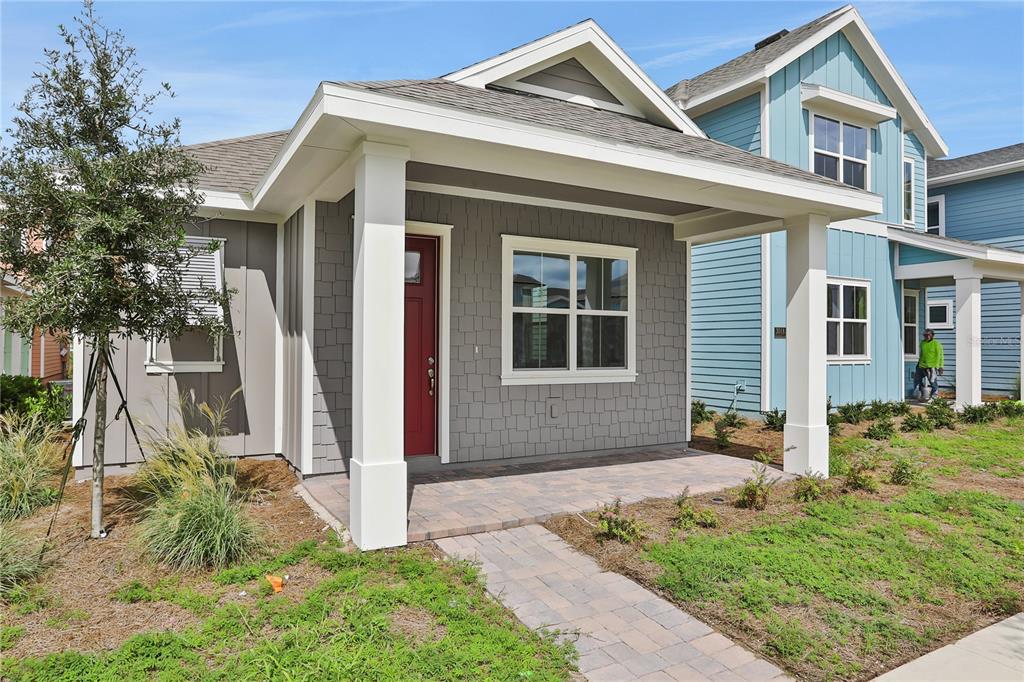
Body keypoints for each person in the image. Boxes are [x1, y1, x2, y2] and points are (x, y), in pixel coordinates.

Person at [914, 328, 944, 401]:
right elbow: (922, 355)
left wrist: (941, 366)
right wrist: (918, 363)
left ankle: (934, 397)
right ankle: (921, 395)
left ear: (932, 335)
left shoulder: (936, 344)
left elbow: (941, 356)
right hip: (921, 366)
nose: (926, 336)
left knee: (933, 383)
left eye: (928, 335)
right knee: (917, 380)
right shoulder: (922, 343)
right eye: (925, 335)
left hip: (931, 367)